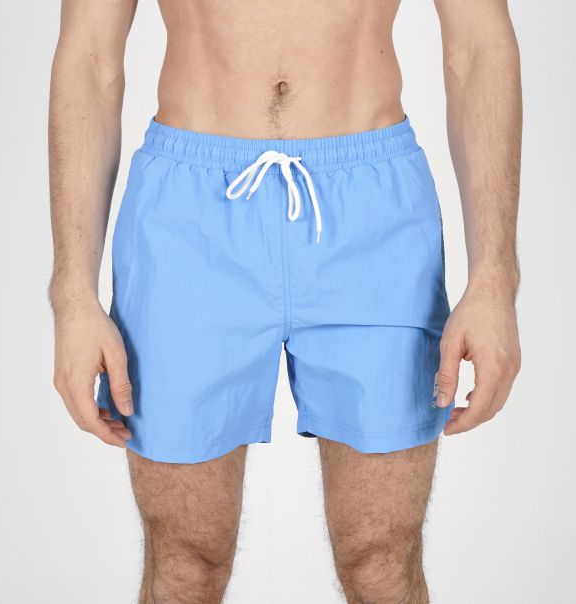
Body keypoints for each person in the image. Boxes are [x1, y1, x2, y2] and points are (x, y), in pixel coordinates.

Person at [48, 1, 522, 602]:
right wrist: (72, 294)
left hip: (372, 211)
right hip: (188, 217)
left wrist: (495, 279)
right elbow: (91, 56)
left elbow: (478, 44)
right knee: (185, 565)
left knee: (380, 564)